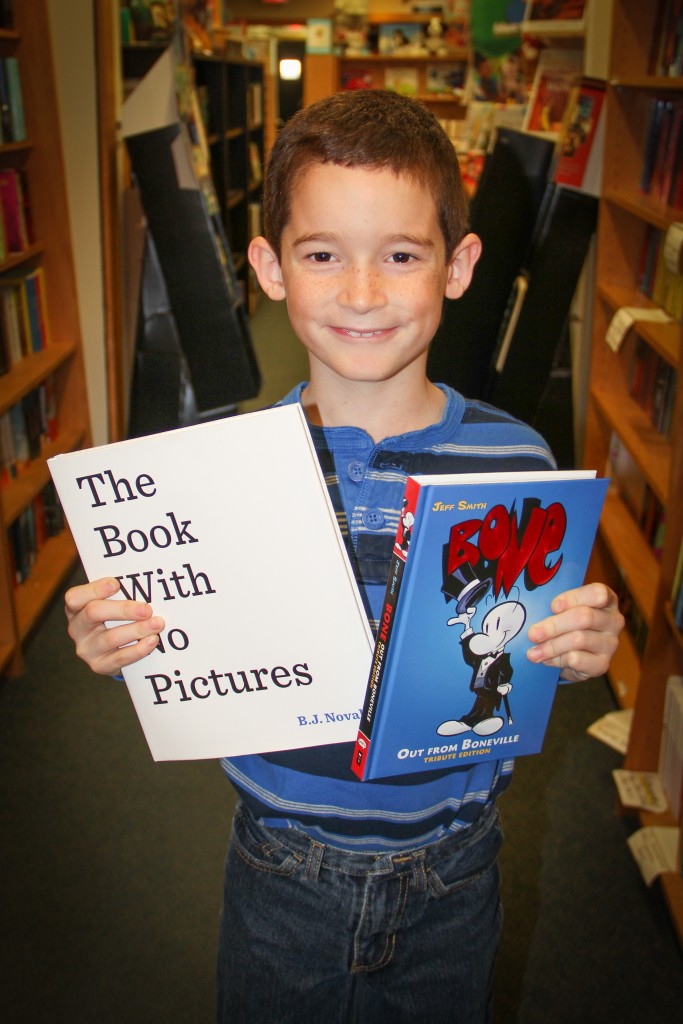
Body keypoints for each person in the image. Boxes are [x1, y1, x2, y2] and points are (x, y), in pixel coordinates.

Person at [64, 89, 623, 1023]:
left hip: (457, 866)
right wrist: (125, 645)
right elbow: (191, 656)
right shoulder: (217, 472)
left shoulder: (516, 460)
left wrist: (576, 651)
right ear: (270, 268)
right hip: (281, 866)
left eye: (401, 256)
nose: (362, 293)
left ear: (458, 266)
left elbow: (519, 653)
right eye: (322, 255)